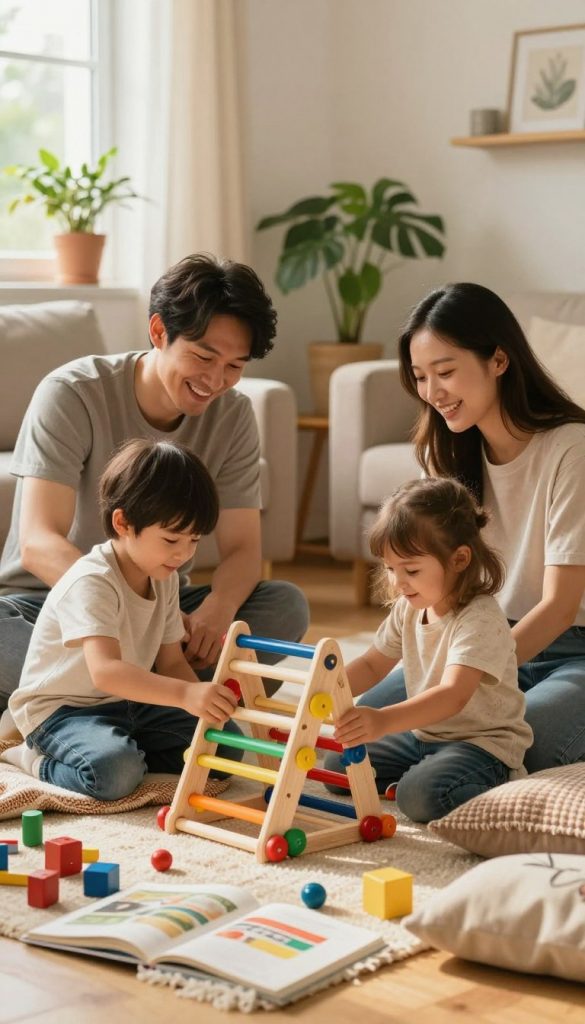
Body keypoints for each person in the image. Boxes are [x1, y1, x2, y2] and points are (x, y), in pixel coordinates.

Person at [0, 253, 309, 712]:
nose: (215, 380)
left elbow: (244, 550)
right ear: (159, 331)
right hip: (49, 602)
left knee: (284, 605)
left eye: (234, 366)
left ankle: (110, 697)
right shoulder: (72, 392)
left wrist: (215, 610)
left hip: (163, 605)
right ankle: (150, 697)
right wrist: (122, 612)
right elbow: (38, 543)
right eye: (203, 356)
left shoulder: (234, 416)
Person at [363, 281, 585, 774]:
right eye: (421, 377)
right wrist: (453, 675)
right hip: (474, 636)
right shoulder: (445, 452)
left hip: (571, 650)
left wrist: (469, 682)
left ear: (499, 360)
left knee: (518, 747)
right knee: (352, 743)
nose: (432, 392)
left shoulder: (572, 449)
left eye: (445, 372)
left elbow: (560, 606)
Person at [1, 439, 243, 800]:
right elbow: (106, 672)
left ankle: (123, 750)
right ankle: (31, 757)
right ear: (123, 522)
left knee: (225, 746)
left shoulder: (164, 576)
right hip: (64, 711)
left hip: (130, 703)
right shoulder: (93, 580)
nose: (184, 553)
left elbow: (172, 663)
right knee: (113, 774)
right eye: (171, 539)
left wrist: (201, 706)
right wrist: (185, 694)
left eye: (193, 540)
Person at [325, 477, 532, 823]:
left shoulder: (480, 618)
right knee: (338, 763)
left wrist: (383, 720)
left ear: (459, 559)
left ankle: (497, 788)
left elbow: (453, 696)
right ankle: (422, 773)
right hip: (423, 735)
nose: (397, 582)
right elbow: (373, 665)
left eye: (411, 570)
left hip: (481, 745)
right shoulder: (409, 608)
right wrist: (326, 687)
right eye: (390, 569)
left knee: (418, 795)